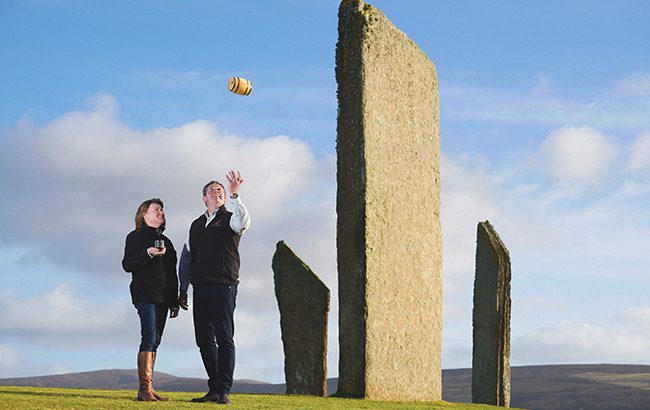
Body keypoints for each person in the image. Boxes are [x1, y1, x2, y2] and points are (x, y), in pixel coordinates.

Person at [178, 170, 251, 405]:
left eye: (220, 190)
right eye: (212, 190)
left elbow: (244, 223)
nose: (216, 192)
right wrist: (183, 288)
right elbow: (187, 257)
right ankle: (214, 388)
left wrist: (235, 195)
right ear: (204, 198)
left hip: (224, 285)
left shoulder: (231, 217)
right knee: (203, 339)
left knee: (225, 337)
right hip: (200, 288)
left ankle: (224, 390)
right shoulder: (196, 225)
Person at [122, 198, 179, 402]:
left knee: (156, 340)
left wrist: (174, 301)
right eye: (156, 209)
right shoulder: (134, 237)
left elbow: (172, 274)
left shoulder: (168, 242)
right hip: (144, 294)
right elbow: (127, 265)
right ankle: (144, 389)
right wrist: (148, 253)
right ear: (143, 214)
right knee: (148, 336)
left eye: (162, 210)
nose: (161, 212)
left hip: (164, 298)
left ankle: (148, 389)